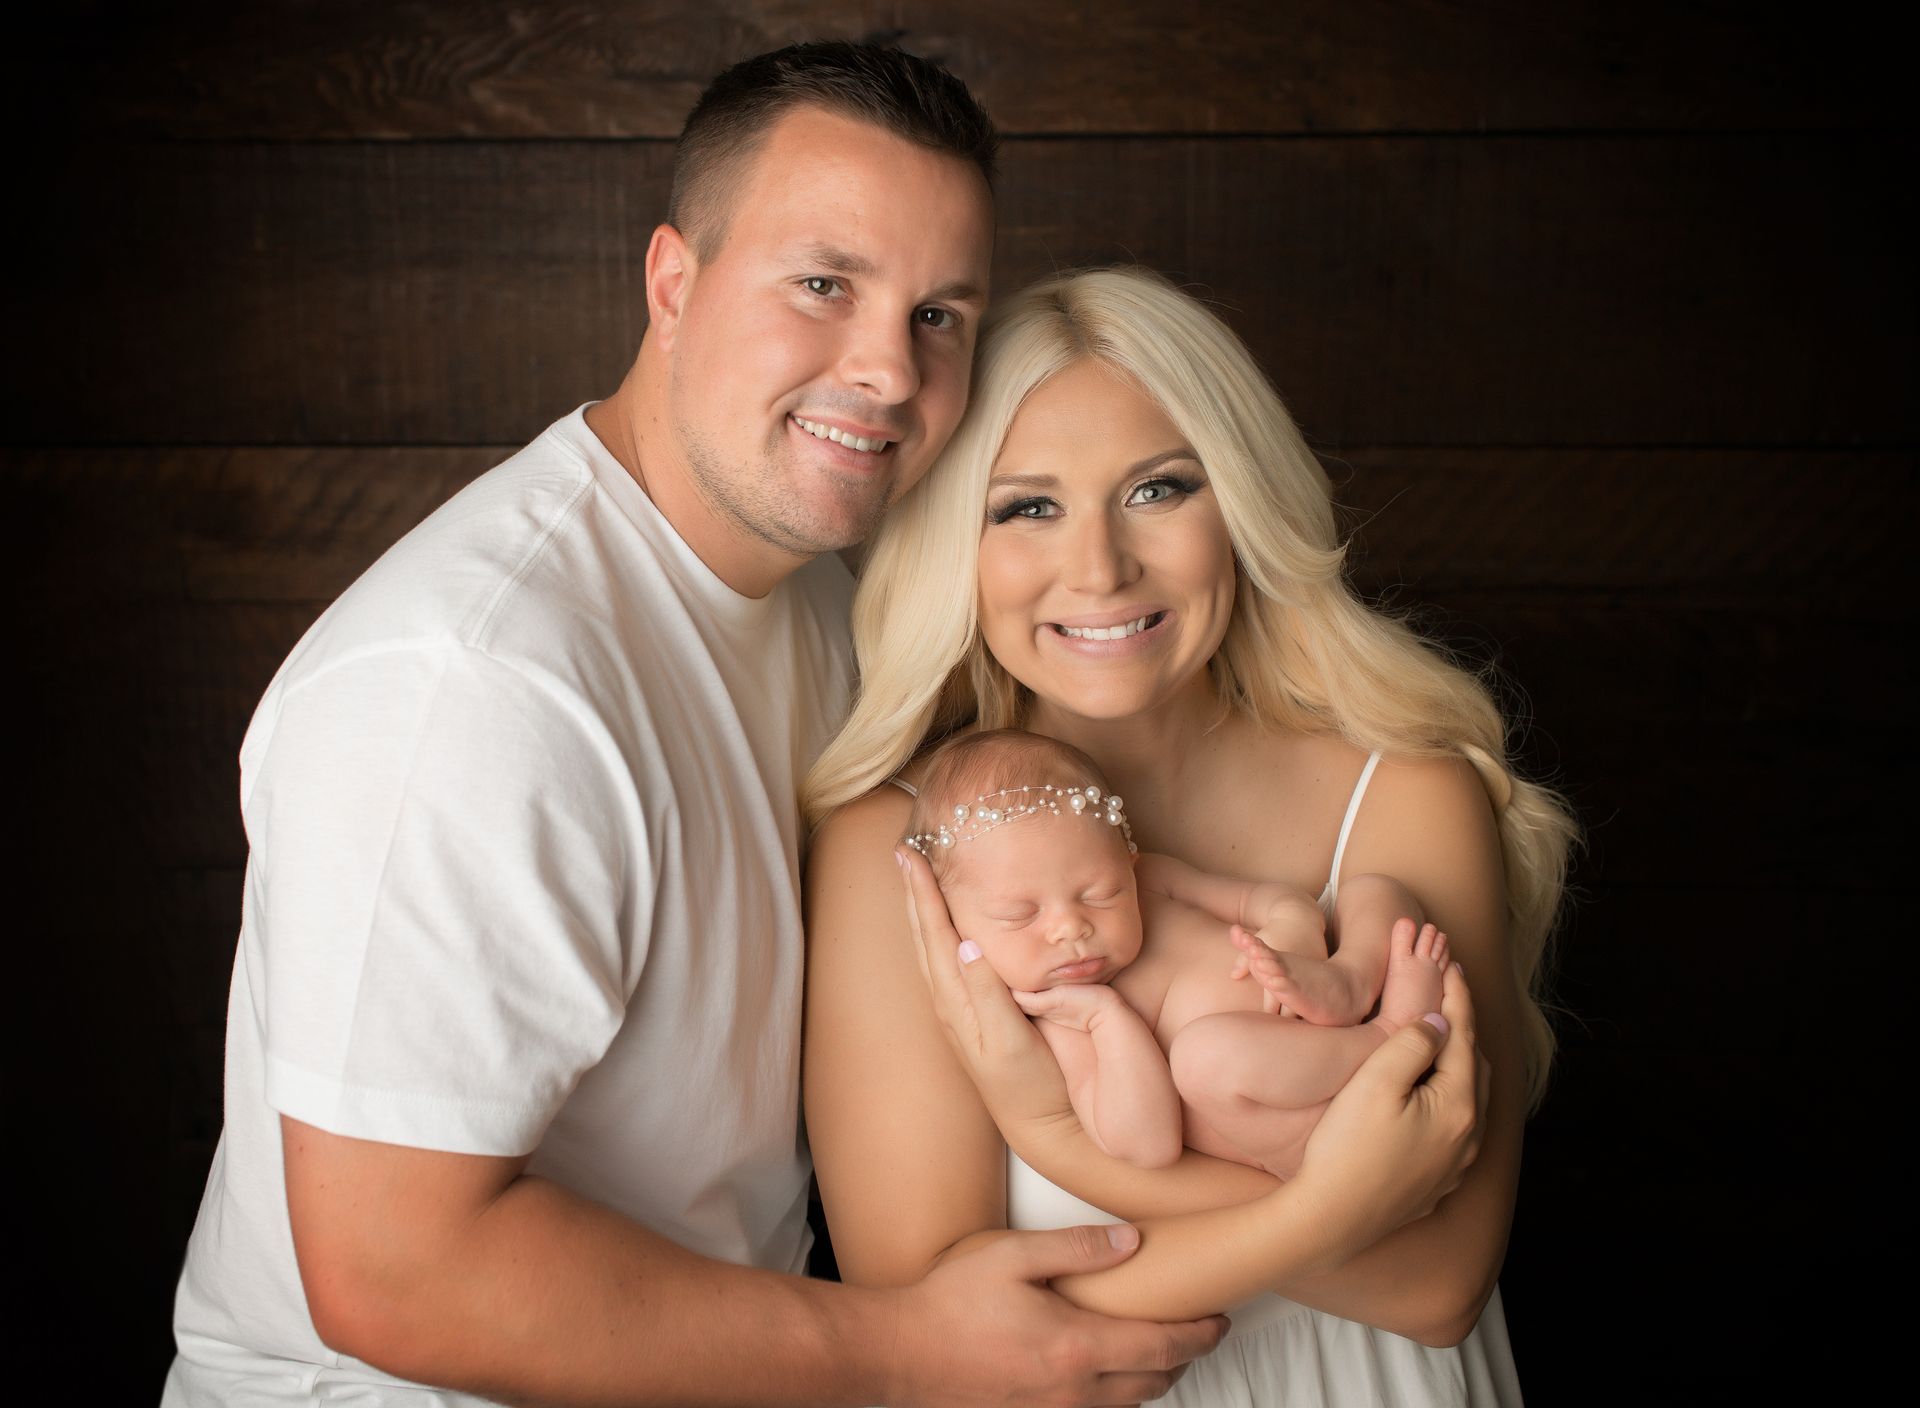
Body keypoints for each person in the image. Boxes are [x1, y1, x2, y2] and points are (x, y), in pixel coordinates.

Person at [164, 45, 1257, 1408]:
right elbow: (392, 1268)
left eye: (940, 315)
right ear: (672, 284)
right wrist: (914, 1351)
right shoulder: (474, 686)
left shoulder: (822, 602)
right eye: (823, 284)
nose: (887, 367)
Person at [804, 266, 1577, 1401]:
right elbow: (936, 1338)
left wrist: (1058, 1138)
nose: (1101, 569)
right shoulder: (901, 848)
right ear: (948, 547)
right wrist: (1326, 1208)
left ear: (1244, 503)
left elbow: (1436, 1285)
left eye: (1160, 490)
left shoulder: (1408, 794)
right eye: (1024, 506)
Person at [901, 727, 1451, 1178]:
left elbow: (1261, 899)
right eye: (1020, 916)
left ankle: (1352, 984)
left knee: (1374, 890)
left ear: (1128, 861)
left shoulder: (1154, 882)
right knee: (1203, 1057)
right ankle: (1388, 1036)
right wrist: (1107, 1017)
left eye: (1101, 892)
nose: (1071, 925)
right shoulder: (1060, 1026)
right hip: (1307, 1124)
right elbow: (1147, 1145)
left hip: (1321, 1003)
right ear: (954, 930)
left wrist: (1291, 932)